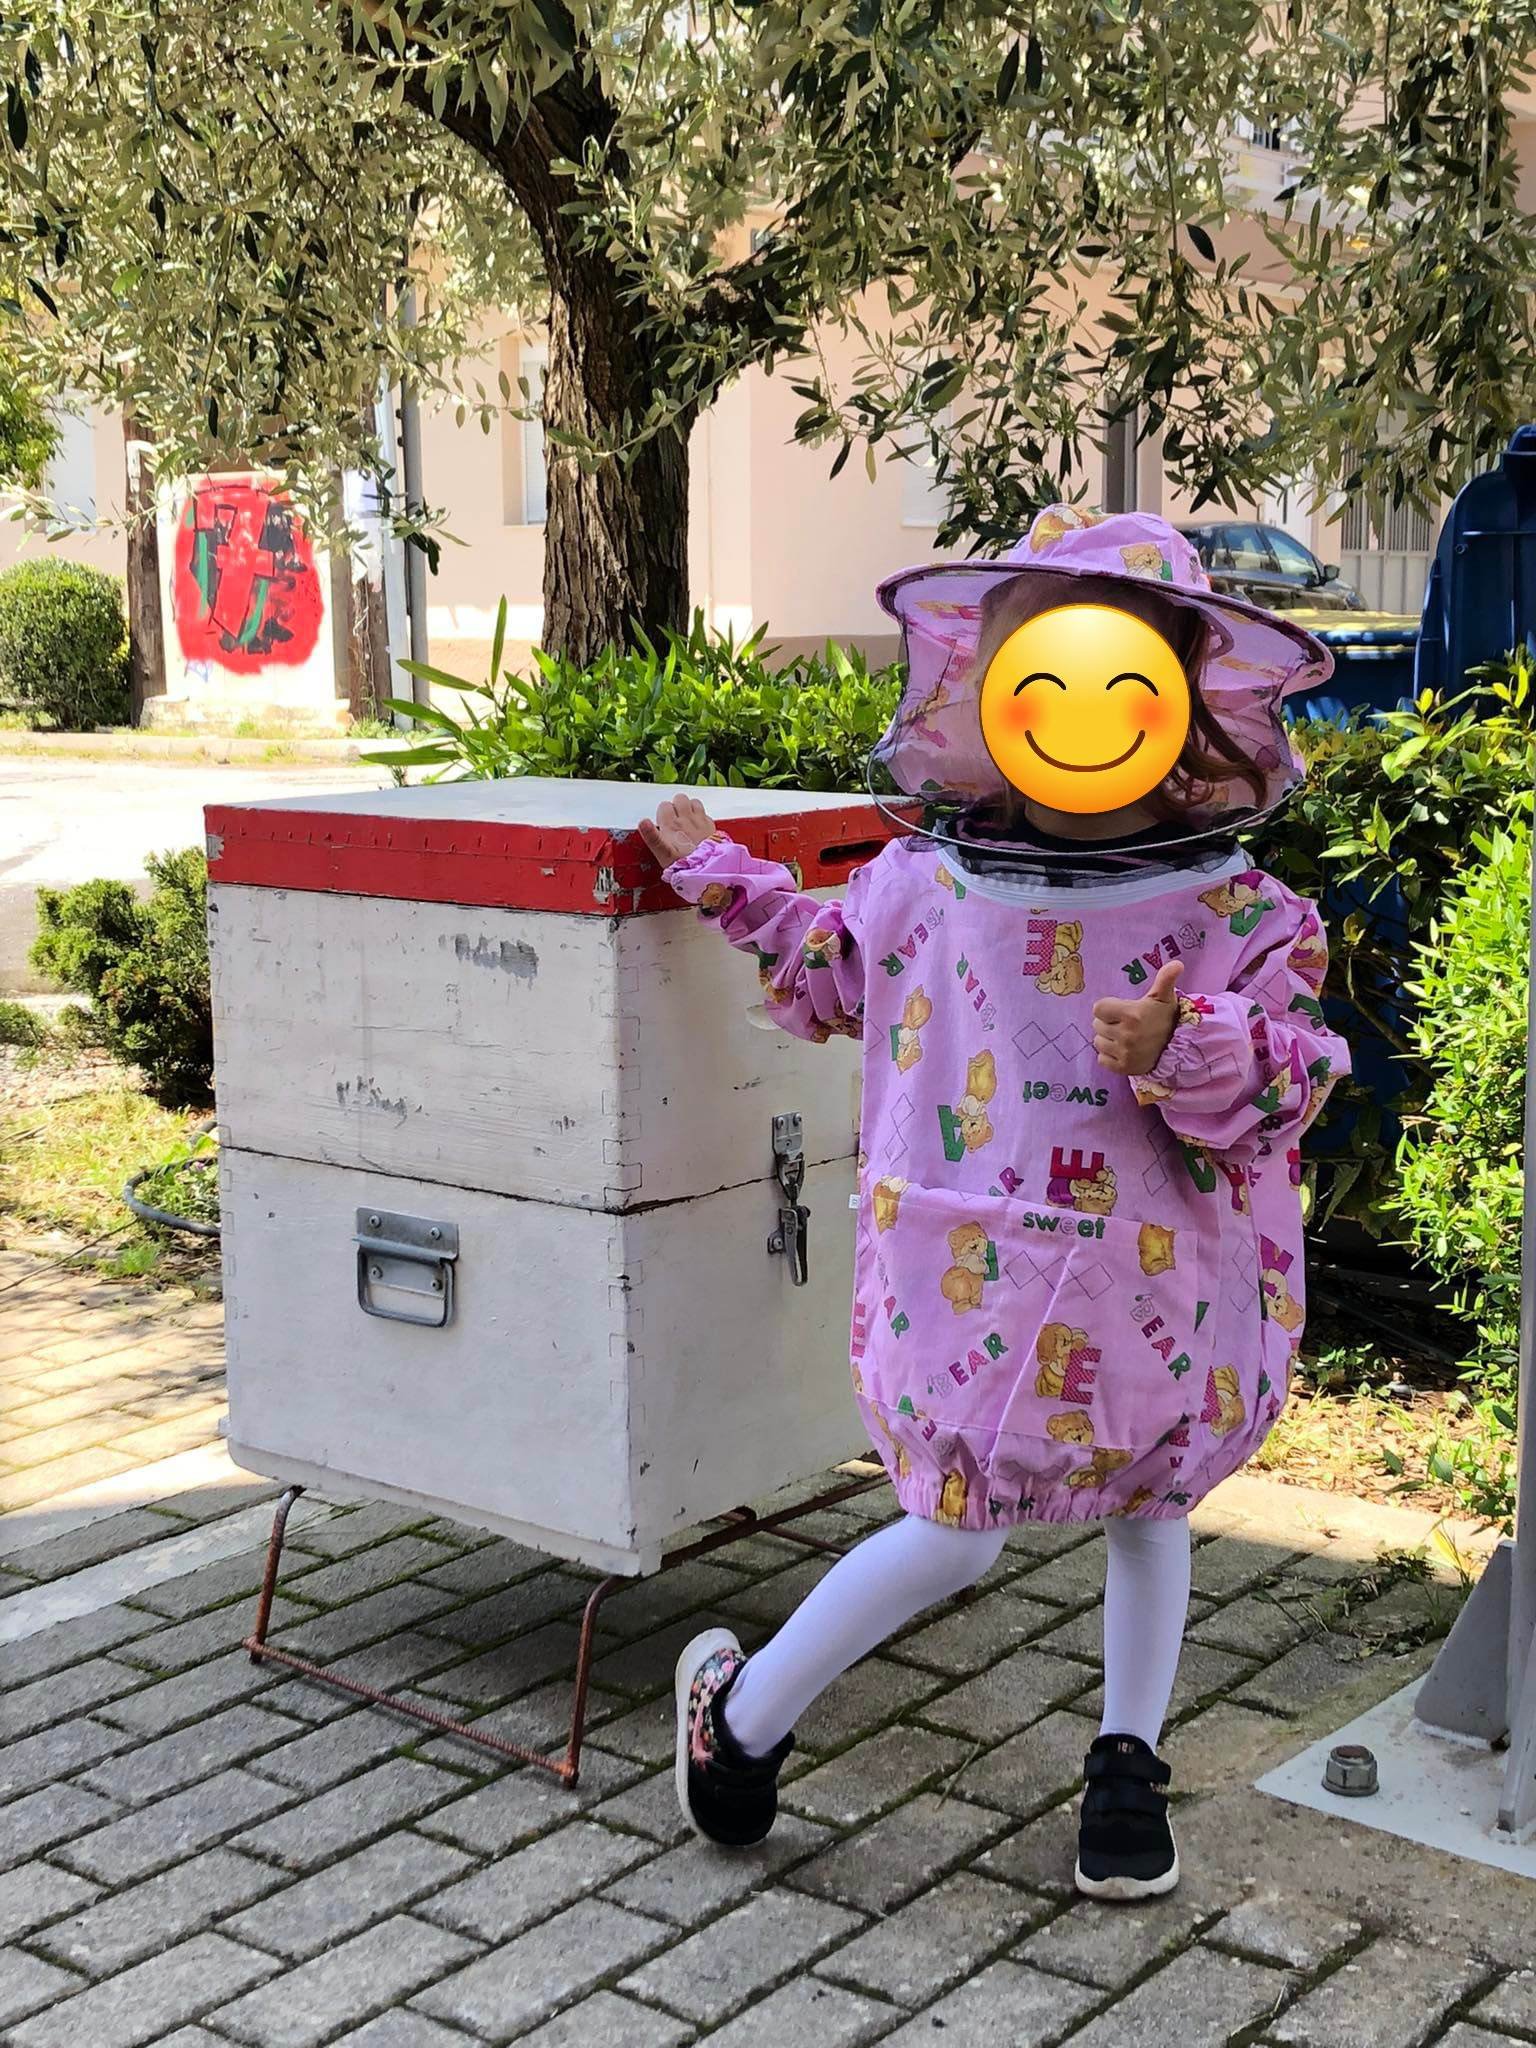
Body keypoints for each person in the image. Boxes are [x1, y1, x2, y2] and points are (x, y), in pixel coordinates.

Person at [638, 506, 1349, 1902]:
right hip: (1059, 1285)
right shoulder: (945, 883)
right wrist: (713, 868)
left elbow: (1292, 1079)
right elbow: (831, 965)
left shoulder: (1232, 912)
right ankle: (1087, 1780)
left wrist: (1185, 1044)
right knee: (1057, 1517)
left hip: (1100, 1286)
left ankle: (765, 1734)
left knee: (1047, 1516)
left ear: (1178, 703)